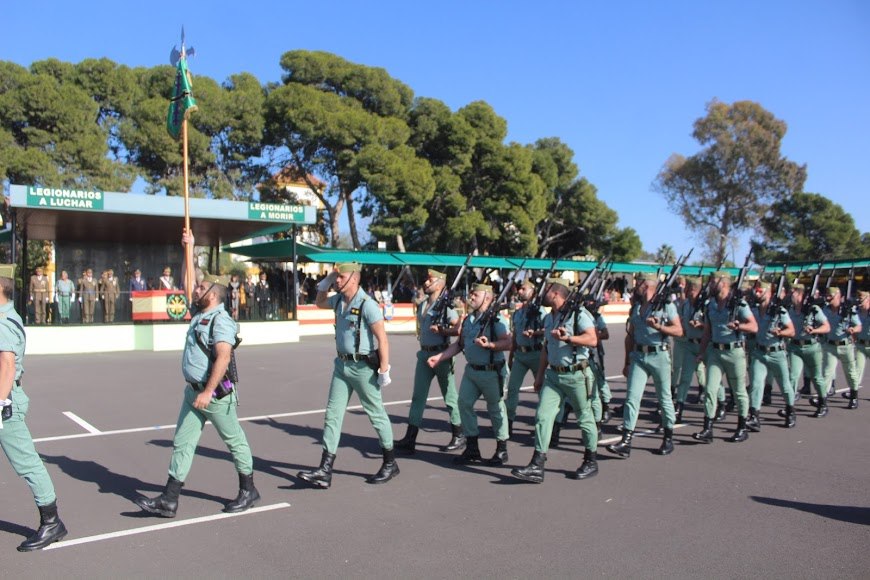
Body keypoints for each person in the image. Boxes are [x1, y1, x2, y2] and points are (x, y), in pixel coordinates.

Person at [136, 230, 259, 517]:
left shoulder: (221, 320)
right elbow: (187, 280)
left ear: (212, 294)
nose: (194, 289)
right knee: (183, 442)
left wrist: (207, 391)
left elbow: (223, 357)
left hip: (214, 394)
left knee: (234, 441)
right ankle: (169, 499)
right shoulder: (201, 313)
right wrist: (188, 249)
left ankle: (248, 490)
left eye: (201, 287)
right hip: (193, 392)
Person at [297, 262, 397, 488]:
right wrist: (327, 280)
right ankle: (325, 470)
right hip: (342, 366)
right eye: (336, 278)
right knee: (332, 415)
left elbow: (382, 339)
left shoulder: (368, 305)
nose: (337, 281)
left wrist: (384, 369)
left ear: (354, 278)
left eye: (341, 277)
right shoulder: (338, 301)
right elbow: (319, 302)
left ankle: (390, 463)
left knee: (376, 414)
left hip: (363, 368)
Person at [0, 264, 69, 551]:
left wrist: (1, 403)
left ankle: (51, 522)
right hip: (7, 397)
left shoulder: (3, 322)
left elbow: (7, 365)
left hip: (5, 404)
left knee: (27, 463)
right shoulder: (9, 316)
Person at [511, 277, 599, 483]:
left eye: (546, 289)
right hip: (553, 376)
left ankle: (590, 460)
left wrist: (569, 338)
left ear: (556, 293)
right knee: (543, 416)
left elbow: (592, 339)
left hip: (576, 374)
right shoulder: (550, 316)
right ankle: (537, 464)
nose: (543, 293)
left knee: (584, 417)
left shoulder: (579, 314)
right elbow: (546, 348)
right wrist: (539, 376)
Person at [426, 283, 512, 466]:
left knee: (496, 409)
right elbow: (459, 345)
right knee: (464, 404)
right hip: (472, 371)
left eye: (475, 294)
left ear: (487, 297)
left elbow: (508, 342)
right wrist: (439, 357)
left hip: (491, 371)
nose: (471, 297)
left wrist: (490, 345)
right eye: (471, 294)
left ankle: (501, 449)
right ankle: (472, 448)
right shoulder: (468, 320)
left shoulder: (496, 319)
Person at [607, 272, 683, 458]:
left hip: (659, 356)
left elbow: (679, 330)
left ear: (647, 285)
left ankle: (668, 437)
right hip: (639, 356)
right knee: (632, 398)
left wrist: (659, 327)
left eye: (638, 283)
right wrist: (627, 361)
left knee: (664, 398)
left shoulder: (666, 306)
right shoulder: (637, 307)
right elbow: (630, 336)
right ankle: (626, 440)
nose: (635, 286)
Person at [394, 269, 464, 454]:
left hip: (441, 355)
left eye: (430, 280)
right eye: (426, 279)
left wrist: (442, 331)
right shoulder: (424, 304)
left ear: (440, 283)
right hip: (424, 354)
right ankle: (410, 438)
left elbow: (459, 329)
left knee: (450, 396)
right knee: (418, 397)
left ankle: (459, 434)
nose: (426, 282)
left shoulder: (447, 306)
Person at [692, 271, 759, 443]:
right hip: (715, 351)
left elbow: (753, 327)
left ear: (724, 283)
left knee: (739, 391)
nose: (710, 284)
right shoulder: (711, 305)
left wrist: (739, 326)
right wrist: (701, 352)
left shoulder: (739, 304)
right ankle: (707, 428)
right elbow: (707, 331)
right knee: (710, 389)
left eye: (713, 281)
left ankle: (742, 427)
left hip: (734, 352)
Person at [747, 281, 796, 430]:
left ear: (768, 293)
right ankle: (754, 416)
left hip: (777, 352)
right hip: (759, 352)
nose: (757, 293)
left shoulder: (779, 311)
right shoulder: (753, 310)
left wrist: (780, 332)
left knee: (784, 385)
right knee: (756, 384)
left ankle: (790, 411)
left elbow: (791, 331)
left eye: (760, 290)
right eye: (756, 291)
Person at [505, 280, 545, 438]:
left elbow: (548, 329)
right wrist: (511, 356)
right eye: (519, 289)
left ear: (533, 291)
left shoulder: (540, 311)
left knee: (541, 390)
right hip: (520, 355)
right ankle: (508, 422)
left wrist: (535, 333)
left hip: (536, 353)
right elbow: (515, 335)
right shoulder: (518, 312)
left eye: (523, 289)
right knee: (512, 389)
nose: (520, 291)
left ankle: (543, 424)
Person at [787, 283, 831, 417]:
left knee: (816, 377)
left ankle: (822, 403)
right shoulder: (790, 309)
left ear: (800, 294)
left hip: (811, 347)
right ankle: (790, 408)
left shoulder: (813, 309)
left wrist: (814, 330)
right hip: (795, 346)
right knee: (793, 376)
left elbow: (827, 327)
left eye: (793, 293)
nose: (791, 295)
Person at [820, 287, 862, 408]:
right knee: (827, 373)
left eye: (831, 296)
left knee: (850, 372)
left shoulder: (848, 310)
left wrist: (853, 329)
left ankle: (853, 397)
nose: (828, 298)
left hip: (846, 346)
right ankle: (822, 401)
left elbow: (859, 325)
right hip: (830, 345)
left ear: (838, 296)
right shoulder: (825, 310)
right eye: (827, 296)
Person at [673, 277, 708, 422]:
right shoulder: (685, 304)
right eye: (687, 289)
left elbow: (714, 326)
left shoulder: (706, 305)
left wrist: (701, 325)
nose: (687, 292)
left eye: (690, 290)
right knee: (685, 378)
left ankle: (721, 404)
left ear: (697, 290)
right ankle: (679, 407)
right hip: (689, 344)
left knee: (713, 379)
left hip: (705, 345)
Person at [854, 291, 870, 389]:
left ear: (868, 299)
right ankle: (853, 393)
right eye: (858, 299)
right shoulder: (856, 312)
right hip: (861, 344)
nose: (859, 301)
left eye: (861, 299)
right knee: (857, 370)